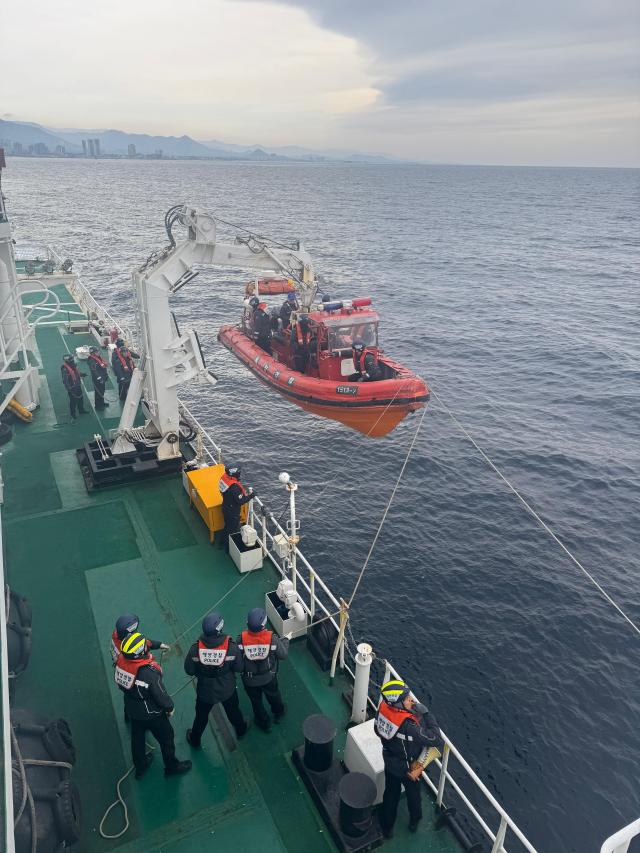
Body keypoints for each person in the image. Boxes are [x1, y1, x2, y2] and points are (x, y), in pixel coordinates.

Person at [114, 631, 192, 779]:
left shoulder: (121, 661)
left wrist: (158, 644)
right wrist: (169, 708)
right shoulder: (149, 673)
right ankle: (171, 766)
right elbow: (160, 694)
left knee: (137, 739)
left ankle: (141, 766)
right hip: (152, 714)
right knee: (167, 738)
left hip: (132, 709)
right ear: (140, 652)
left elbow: (145, 645)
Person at [375, 680, 442, 838]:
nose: (411, 700)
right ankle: (414, 822)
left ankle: (387, 828)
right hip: (408, 767)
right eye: (406, 698)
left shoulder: (382, 709)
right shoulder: (409, 726)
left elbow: (377, 730)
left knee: (391, 794)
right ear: (398, 703)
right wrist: (426, 714)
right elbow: (436, 739)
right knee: (414, 796)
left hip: (390, 760)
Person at [184, 611, 248, 747]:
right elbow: (239, 668)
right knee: (233, 711)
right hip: (227, 689)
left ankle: (195, 739)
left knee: (201, 716)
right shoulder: (231, 648)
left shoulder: (195, 649)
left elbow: (189, 670)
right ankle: (241, 730)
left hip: (205, 691)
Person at [237, 608, 290, 732]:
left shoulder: (241, 639)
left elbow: (238, 661)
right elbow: (283, 655)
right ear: (263, 624)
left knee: (256, 701)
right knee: (274, 695)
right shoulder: (272, 638)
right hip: (268, 677)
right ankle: (279, 712)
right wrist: (286, 640)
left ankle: (263, 721)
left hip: (249, 679)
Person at [218, 464, 255, 552]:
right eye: (238, 473)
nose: (239, 474)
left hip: (225, 506)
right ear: (234, 475)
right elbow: (241, 501)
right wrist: (251, 496)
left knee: (226, 527)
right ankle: (228, 549)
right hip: (232, 512)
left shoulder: (224, 478)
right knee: (231, 531)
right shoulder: (234, 487)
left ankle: (220, 543)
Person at [61, 354, 88, 419]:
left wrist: (82, 374)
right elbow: (65, 380)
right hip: (72, 387)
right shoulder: (65, 369)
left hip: (77, 385)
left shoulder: (73, 365)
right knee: (73, 401)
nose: (73, 360)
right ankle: (73, 414)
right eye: (72, 359)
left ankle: (81, 410)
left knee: (80, 398)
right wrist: (69, 389)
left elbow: (77, 373)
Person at [87, 346, 109, 410]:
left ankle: (102, 402)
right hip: (97, 379)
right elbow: (94, 371)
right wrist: (100, 378)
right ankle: (98, 405)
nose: (99, 352)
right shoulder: (92, 361)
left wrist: (105, 376)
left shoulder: (98, 358)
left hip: (102, 377)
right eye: (97, 352)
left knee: (102, 391)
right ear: (93, 353)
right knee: (98, 392)